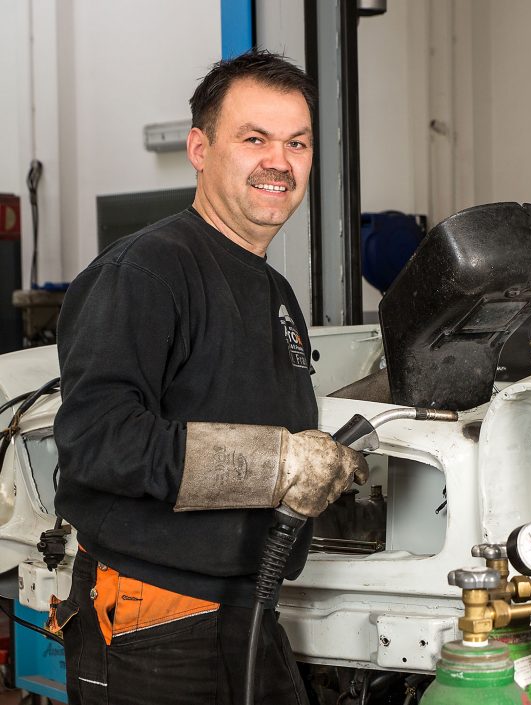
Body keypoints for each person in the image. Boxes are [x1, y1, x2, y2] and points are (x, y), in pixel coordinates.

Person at [52, 49, 368, 705]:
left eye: (296, 143)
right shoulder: (150, 269)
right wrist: (276, 461)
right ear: (200, 148)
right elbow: (99, 439)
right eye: (254, 139)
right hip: (152, 625)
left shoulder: (274, 289)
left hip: (246, 611)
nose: (279, 161)